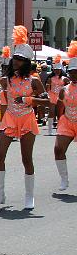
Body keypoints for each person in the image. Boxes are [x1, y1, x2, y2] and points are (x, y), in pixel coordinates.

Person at [0, 26, 48, 210]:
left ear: (26, 63)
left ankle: (29, 196)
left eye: (20, 59)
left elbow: (47, 102)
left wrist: (28, 99)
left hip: (27, 119)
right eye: (15, 58)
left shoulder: (34, 81)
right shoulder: (6, 80)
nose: (16, 62)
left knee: (26, 159)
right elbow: (5, 101)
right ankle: (0, 195)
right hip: (10, 118)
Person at [54, 42, 77, 191]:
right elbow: (59, 106)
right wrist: (59, 120)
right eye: (72, 72)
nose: (74, 74)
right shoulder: (64, 89)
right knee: (58, 149)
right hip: (67, 121)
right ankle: (64, 179)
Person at [46, 55, 69, 136]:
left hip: (61, 97)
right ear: (53, 70)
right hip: (52, 96)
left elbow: (70, 86)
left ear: (61, 70)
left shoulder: (64, 78)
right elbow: (48, 88)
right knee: (51, 112)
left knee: (60, 113)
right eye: (55, 70)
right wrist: (48, 95)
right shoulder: (50, 78)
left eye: (58, 70)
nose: (57, 71)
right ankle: (49, 130)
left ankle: (60, 129)